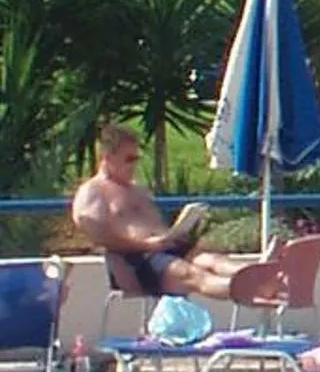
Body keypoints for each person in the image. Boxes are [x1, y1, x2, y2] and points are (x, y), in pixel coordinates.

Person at [70, 123, 250, 301]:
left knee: (213, 261)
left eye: (136, 158)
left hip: (166, 248)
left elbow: (155, 225)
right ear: (108, 158)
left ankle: (258, 274)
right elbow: (98, 234)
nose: (134, 164)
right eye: (129, 159)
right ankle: (250, 288)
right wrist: (147, 245)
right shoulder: (94, 191)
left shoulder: (138, 190)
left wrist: (177, 233)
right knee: (192, 274)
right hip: (137, 259)